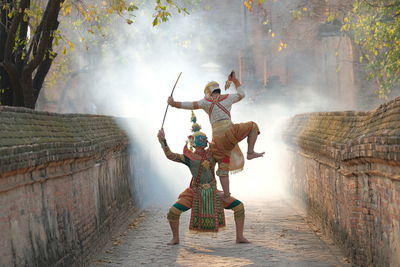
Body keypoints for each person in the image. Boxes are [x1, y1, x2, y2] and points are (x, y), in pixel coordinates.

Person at [167, 71, 264, 201]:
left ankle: (227, 194)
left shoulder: (205, 102)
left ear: (208, 92)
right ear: (218, 89)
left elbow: (189, 105)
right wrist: (235, 81)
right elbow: (242, 94)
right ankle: (250, 152)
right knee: (253, 126)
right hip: (231, 132)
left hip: (217, 140)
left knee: (223, 166)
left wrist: (173, 104)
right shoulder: (228, 98)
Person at [157, 112, 248, 245]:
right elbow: (170, 155)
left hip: (213, 193)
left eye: (204, 140)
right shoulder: (188, 157)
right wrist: (163, 141)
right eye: (202, 140)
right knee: (173, 212)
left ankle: (240, 236)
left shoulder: (213, 153)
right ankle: (175, 238)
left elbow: (224, 151)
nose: (204, 142)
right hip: (195, 192)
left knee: (239, 207)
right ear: (194, 143)